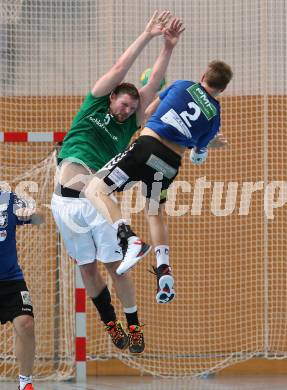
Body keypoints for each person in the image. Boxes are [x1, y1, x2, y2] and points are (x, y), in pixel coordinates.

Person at [51, 11, 185, 354]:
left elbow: (152, 83)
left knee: (116, 269)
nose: (125, 112)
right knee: (88, 271)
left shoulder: (131, 123)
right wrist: (147, 35)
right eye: (123, 105)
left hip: (96, 199)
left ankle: (134, 326)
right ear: (112, 98)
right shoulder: (96, 102)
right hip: (65, 203)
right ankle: (111, 324)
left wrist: (167, 48)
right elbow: (120, 69)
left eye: (131, 109)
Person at [83, 60, 233, 304]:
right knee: (154, 212)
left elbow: (149, 114)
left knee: (95, 189)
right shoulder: (215, 117)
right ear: (222, 89)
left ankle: (128, 238)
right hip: (168, 164)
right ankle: (164, 268)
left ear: (203, 74)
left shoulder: (181, 85)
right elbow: (197, 156)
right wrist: (206, 146)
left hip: (146, 148)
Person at [0, 190, 44, 390]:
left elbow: (39, 218)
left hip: (11, 279)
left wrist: (32, 214)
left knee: (26, 324)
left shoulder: (8, 199)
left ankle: (25, 382)